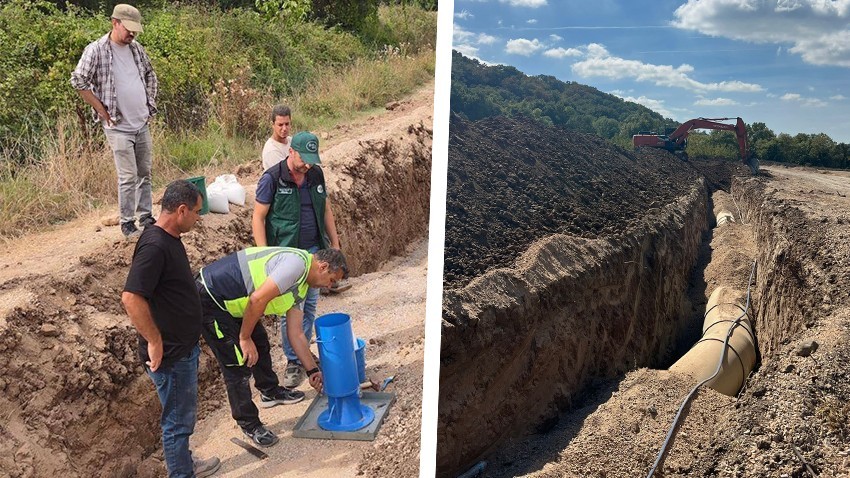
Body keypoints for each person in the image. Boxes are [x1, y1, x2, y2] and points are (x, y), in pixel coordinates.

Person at [196, 247, 349, 447]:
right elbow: (257, 299)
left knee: (260, 342)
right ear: (323, 267)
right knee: (236, 362)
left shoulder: (303, 284)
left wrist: (312, 370)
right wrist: (244, 337)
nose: (329, 286)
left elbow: (296, 333)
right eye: (331, 280)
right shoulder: (295, 265)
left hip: (235, 303)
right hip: (211, 296)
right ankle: (249, 424)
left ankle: (269, 391)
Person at [122, 180, 220, 478]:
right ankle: (181, 473)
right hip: (172, 356)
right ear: (181, 210)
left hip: (181, 349)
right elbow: (131, 297)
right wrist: (154, 341)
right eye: (197, 212)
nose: (199, 218)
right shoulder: (155, 247)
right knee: (177, 423)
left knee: (181, 418)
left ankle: (185, 463)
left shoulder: (169, 237)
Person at [252, 130, 347, 388]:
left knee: (309, 307)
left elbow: (325, 208)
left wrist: (335, 244)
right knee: (290, 311)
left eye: (311, 160)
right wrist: (264, 254)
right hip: (286, 256)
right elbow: (258, 217)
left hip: (314, 254)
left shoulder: (315, 174)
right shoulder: (272, 178)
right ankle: (294, 361)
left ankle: (302, 353)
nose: (307, 165)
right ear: (291, 151)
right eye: (303, 159)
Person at [71, 4, 158, 238]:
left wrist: (149, 103)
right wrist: (100, 109)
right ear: (115, 23)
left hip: (141, 122)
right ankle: (127, 223)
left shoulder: (136, 49)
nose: (132, 33)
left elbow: (150, 74)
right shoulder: (96, 50)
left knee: (144, 173)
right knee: (127, 176)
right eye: (128, 28)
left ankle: (146, 216)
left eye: (135, 30)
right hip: (118, 126)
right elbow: (78, 80)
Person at [261, 105, 293, 171]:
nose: (284, 128)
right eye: (280, 125)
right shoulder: (272, 150)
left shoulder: (291, 141)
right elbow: (286, 173)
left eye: (287, 124)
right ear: (272, 125)